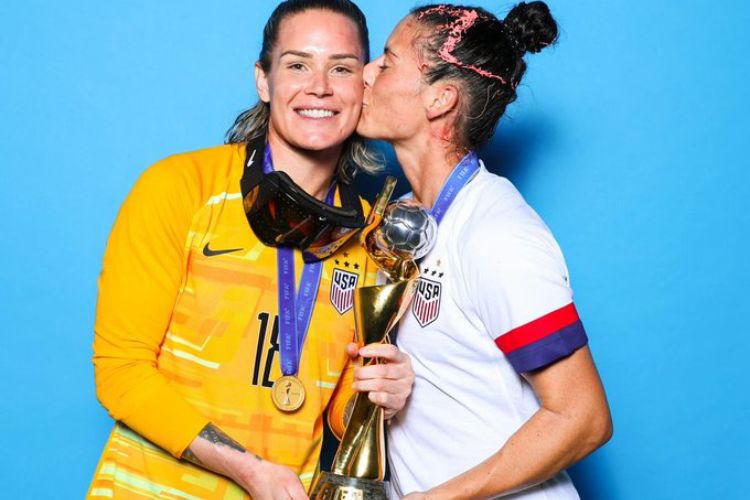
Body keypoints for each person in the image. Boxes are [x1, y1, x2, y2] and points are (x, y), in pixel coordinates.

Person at [87, 1, 415, 499]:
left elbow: (338, 415)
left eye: (341, 68)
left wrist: (378, 401)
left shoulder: (375, 236)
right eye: (297, 64)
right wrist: (249, 468)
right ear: (263, 80)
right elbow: (121, 372)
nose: (320, 86)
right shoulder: (179, 188)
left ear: (364, 86)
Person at [357, 2, 612, 498]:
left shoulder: (498, 234)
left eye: (386, 62)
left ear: (440, 100)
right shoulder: (399, 222)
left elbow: (584, 419)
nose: (365, 72)